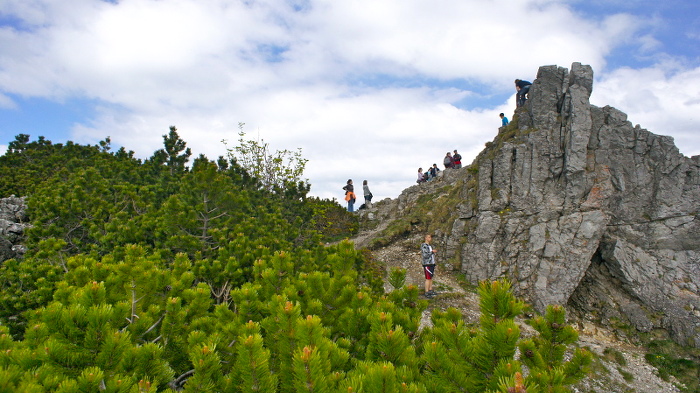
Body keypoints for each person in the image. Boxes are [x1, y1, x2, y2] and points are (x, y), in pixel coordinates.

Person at [421, 234, 438, 298]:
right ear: (425, 238)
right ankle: (426, 291)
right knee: (428, 278)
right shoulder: (424, 245)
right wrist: (432, 252)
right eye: (429, 237)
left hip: (431, 263)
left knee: (430, 277)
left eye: (430, 237)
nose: (430, 238)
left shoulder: (429, 246)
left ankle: (430, 289)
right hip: (427, 264)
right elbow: (425, 255)